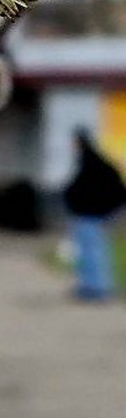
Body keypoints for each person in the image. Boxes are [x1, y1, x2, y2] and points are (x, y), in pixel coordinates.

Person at [62, 129, 126, 301]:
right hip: (91, 214)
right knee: (89, 252)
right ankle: (91, 285)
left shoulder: (91, 164)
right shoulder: (93, 162)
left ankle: (99, 288)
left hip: (92, 214)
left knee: (94, 252)